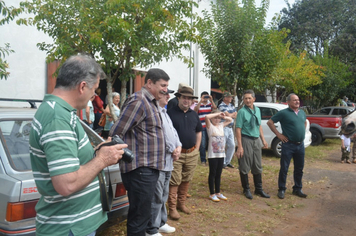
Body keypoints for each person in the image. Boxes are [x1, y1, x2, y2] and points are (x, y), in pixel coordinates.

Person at [29, 54, 127, 236]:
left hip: (75, 225)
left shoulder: (63, 113)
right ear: (82, 86)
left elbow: (72, 161)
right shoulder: (57, 118)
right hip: (68, 229)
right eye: (94, 90)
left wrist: (97, 151)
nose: (93, 96)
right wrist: (102, 160)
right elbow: (66, 184)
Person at [109, 68, 169, 236]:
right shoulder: (139, 100)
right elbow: (116, 132)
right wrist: (128, 156)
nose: (165, 89)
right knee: (139, 218)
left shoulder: (151, 101)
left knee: (142, 215)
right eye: (162, 85)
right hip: (140, 171)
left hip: (148, 170)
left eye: (167, 86)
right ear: (149, 83)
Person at [146, 88, 182, 235]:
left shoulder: (165, 112)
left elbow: (173, 133)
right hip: (159, 161)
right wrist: (172, 148)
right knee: (156, 196)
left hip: (169, 162)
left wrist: (178, 146)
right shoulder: (154, 113)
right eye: (165, 94)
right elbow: (160, 136)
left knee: (163, 195)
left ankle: (161, 222)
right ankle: (151, 229)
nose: (168, 97)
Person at [167, 86, 202, 220]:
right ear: (179, 98)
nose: (186, 101)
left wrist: (197, 148)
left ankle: (182, 204)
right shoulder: (170, 113)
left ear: (192, 101)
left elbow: (199, 131)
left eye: (189, 98)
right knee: (175, 181)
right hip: (177, 154)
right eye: (184, 98)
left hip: (192, 153)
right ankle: (172, 208)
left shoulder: (194, 114)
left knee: (187, 179)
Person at [267, 93, 308, 199]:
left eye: (298, 100)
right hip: (288, 145)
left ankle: (297, 188)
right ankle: (281, 189)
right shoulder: (283, 113)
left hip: (300, 145)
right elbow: (270, 122)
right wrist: (279, 135)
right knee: (284, 168)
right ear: (288, 102)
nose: (297, 102)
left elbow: (304, 123)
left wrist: (301, 132)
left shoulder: (302, 113)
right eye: (294, 100)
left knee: (299, 168)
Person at [235, 90, 270, 200]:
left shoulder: (257, 110)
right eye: (245, 98)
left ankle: (258, 189)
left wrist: (263, 140)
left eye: (249, 98)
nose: (247, 100)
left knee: (257, 164)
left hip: (256, 140)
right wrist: (240, 146)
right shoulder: (241, 112)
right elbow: (238, 129)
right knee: (245, 165)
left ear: (254, 99)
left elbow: (259, 125)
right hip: (246, 139)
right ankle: (246, 189)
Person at [205, 111, 232, 202]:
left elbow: (230, 119)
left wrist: (222, 116)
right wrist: (216, 114)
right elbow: (207, 117)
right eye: (215, 118)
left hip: (221, 154)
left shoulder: (221, 125)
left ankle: (218, 192)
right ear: (212, 119)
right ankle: (212, 193)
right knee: (212, 173)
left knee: (218, 173)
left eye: (218, 118)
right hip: (212, 155)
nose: (217, 120)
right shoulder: (210, 127)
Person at [194, 91, 217, 165]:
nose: (205, 98)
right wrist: (201, 101)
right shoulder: (198, 104)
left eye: (206, 96)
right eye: (204, 96)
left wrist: (211, 100)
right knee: (203, 144)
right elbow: (195, 110)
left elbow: (215, 109)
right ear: (201, 97)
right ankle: (203, 160)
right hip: (202, 126)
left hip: (209, 126)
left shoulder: (210, 104)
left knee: (211, 143)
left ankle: (211, 159)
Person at [218, 92, 237, 168]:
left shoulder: (231, 105)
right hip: (224, 127)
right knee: (222, 145)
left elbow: (235, 114)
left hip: (230, 128)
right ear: (225, 98)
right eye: (229, 97)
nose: (231, 98)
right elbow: (228, 115)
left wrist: (230, 115)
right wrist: (231, 115)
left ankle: (227, 161)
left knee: (232, 145)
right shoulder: (221, 105)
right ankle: (222, 162)